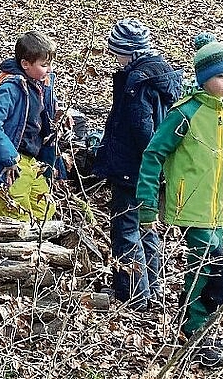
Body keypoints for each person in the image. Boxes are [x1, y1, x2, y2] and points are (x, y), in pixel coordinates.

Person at [135, 33, 223, 367]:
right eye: (220, 75)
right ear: (204, 79)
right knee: (216, 271)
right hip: (189, 207)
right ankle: (196, 330)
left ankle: (196, 327)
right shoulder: (184, 114)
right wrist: (146, 207)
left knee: (205, 272)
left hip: (219, 210)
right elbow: (153, 154)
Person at [93, 19, 183, 311]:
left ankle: (133, 294)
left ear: (128, 53)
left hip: (134, 170)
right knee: (147, 228)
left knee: (127, 230)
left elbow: (143, 131)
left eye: (117, 54)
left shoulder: (136, 84)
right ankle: (153, 289)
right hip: (152, 171)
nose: (115, 60)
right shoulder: (160, 75)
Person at [0, 31, 63, 222]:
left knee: (44, 207)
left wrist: (61, 114)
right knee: (16, 212)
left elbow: (46, 110)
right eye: (44, 65)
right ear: (25, 64)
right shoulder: (9, 89)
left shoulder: (40, 83)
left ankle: (35, 241)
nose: (50, 69)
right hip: (12, 161)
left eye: (51, 64)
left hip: (34, 160)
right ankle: (10, 245)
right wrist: (8, 158)